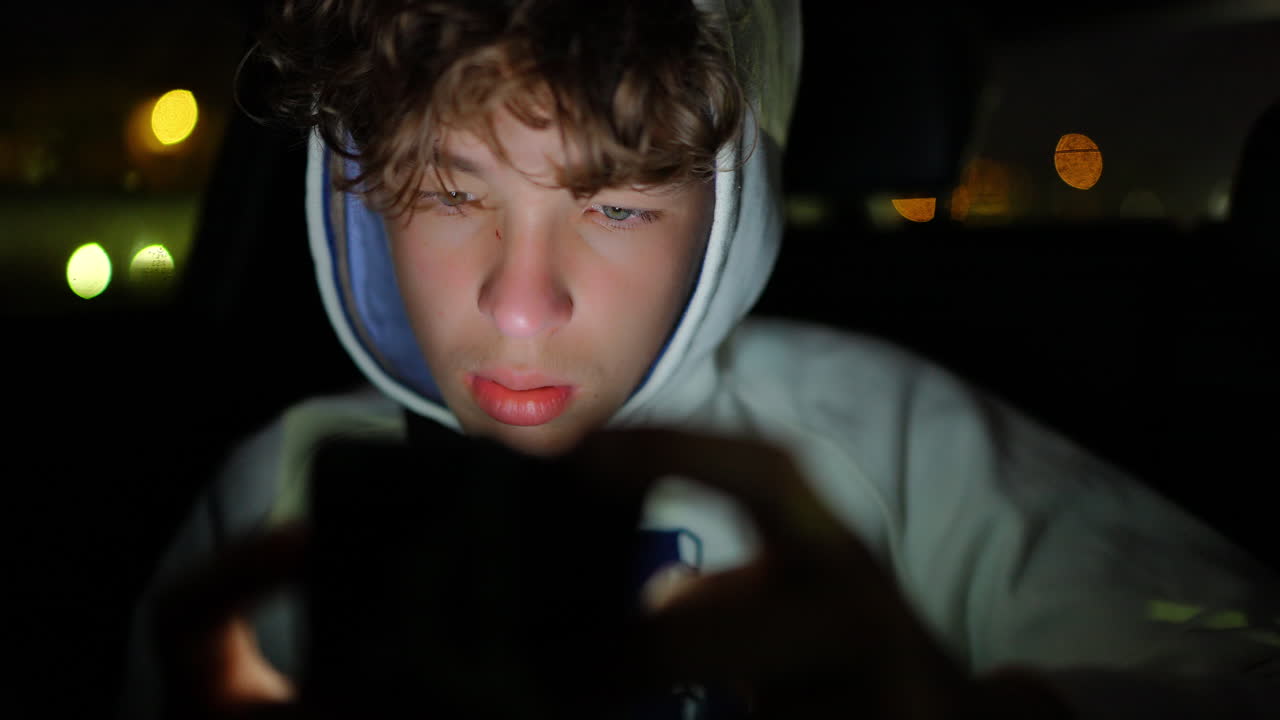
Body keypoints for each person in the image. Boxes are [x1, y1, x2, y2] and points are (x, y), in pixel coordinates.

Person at [121, 0, 1280, 718]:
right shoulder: (271, 499)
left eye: (617, 206)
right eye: (439, 188)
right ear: (358, 195)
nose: (519, 310)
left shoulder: (893, 441)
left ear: (735, 203)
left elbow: (1235, 662)